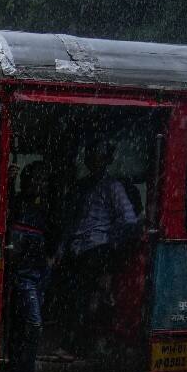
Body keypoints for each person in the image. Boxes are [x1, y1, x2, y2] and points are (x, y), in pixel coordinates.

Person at [55, 139, 140, 360]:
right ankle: (78, 346)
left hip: (97, 250)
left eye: (99, 155)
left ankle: (76, 347)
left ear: (107, 159)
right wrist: (62, 249)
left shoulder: (113, 187)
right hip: (77, 250)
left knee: (86, 300)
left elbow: (129, 219)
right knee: (73, 299)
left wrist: (110, 243)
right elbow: (72, 222)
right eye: (90, 154)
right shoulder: (82, 186)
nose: (93, 159)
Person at [4, 161, 52, 372]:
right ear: (25, 182)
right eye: (35, 179)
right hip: (22, 276)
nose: (39, 184)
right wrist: (9, 181)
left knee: (27, 322)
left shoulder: (45, 209)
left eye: (43, 180)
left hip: (40, 273)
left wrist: (53, 259)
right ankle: (25, 371)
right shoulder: (17, 203)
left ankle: (22, 369)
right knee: (32, 322)